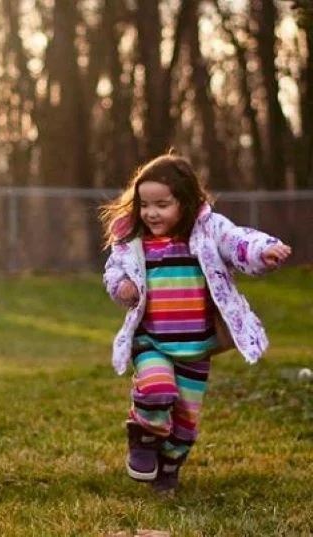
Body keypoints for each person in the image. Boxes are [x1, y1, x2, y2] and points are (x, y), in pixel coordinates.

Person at [99, 153, 292, 492]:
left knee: (185, 423)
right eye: (145, 204)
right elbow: (114, 269)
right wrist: (122, 286)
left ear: (185, 201)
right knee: (157, 389)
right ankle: (143, 436)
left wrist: (264, 251)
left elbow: (239, 241)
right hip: (151, 340)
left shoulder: (207, 232)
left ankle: (169, 466)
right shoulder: (135, 240)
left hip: (196, 346)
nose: (151, 213)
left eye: (162, 204)